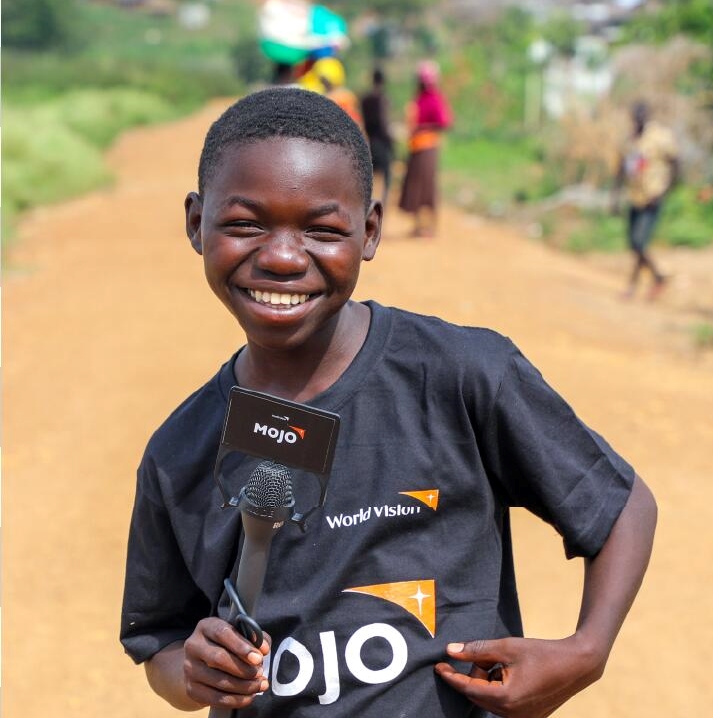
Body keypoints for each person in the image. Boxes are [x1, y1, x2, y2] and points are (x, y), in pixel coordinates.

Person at [119, 87, 657, 718]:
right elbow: (163, 642)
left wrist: (587, 650)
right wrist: (193, 673)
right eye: (244, 224)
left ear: (369, 230)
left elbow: (619, 506)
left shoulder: (463, 376)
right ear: (194, 223)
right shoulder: (179, 451)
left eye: (322, 230)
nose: (284, 257)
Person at [611, 101, 678, 300]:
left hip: (652, 197)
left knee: (639, 243)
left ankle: (638, 284)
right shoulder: (629, 141)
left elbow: (676, 162)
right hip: (635, 196)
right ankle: (654, 278)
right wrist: (614, 196)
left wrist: (665, 190)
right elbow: (621, 169)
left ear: (647, 116)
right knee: (634, 244)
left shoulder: (660, 138)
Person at [398, 60, 453, 237]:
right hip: (416, 146)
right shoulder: (418, 98)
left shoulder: (435, 98)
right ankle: (418, 225)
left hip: (428, 147)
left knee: (427, 187)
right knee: (415, 187)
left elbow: (444, 122)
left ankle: (431, 226)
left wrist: (422, 128)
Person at [360, 68, 395, 210]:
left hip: (370, 141)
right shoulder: (382, 99)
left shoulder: (365, 99)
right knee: (386, 178)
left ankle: (367, 205)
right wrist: (391, 141)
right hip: (382, 141)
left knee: (370, 178)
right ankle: (382, 207)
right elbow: (383, 122)